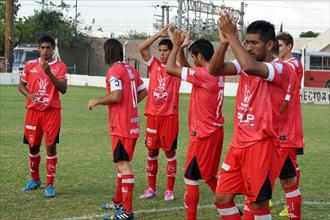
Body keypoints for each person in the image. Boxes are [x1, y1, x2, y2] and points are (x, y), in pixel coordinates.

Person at [209, 13, 294, 219]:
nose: (248, 47)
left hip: (261, 145)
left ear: (269, 45)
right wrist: (224, 43)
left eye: (254, 43)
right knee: (221, 199)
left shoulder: (281, 68)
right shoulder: (247, 61)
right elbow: (214, 70)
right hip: (238, 144)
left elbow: (250, 67)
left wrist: (232, 36)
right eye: (246, 41)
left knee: (258, 204)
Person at [166, 30, 225, 220]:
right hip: (215, 131)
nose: (191, 60)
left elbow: (170, 69)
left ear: (200, 56)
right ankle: (229, 208)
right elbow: (185, 68)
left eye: (193, 57)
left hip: (203, 134)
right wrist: (183, 49)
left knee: (190, 177)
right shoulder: (217, 71)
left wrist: (175, 46)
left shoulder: (202, 74)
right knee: (208, 176)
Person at [88, 39, 147, 220]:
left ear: (108, 52)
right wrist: (131, 105)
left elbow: (116, 95)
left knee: (123, 164)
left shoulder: (114, 70)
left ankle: (127, 212)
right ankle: (118, 201)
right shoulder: (130, 69)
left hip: (121, 125)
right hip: (131, 122)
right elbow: (143, 91)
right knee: (121, 163)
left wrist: (96, 101)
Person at [19, 36, 67, 198]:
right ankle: (35, 180)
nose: (45, 50)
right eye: (42, 47)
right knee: (33, 146)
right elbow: (21, 85)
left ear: (53, 48)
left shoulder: (60, 66)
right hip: (33, 112)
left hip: (51, 112)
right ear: (38, 49)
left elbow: (63, 89)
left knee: (50, 147)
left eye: (48, 47)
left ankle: (50, 185)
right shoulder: (30, 65)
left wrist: (49, 73)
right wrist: (28, 94)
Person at [138, 25, 181, 201]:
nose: (162, 54)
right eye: (160, 50)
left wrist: (173, 39)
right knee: (152, 152)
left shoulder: (176, 67)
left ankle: (169, 190)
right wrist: (159, 34)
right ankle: (151, 188)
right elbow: (142, 48)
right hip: (153, 117)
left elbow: (178, 55)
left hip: (169, 117)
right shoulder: (153, 64)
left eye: (166, 50)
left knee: (170, 154)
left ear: (171, 52)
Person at [274, 32, 304, 219]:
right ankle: (288, 201)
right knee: (290, 164)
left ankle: (290, 203)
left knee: (285, 166)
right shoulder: (283, 64)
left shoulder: (293, 64)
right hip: (282, 123)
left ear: (290, 47)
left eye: (281, 46)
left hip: (288, 125)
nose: (278, 49)